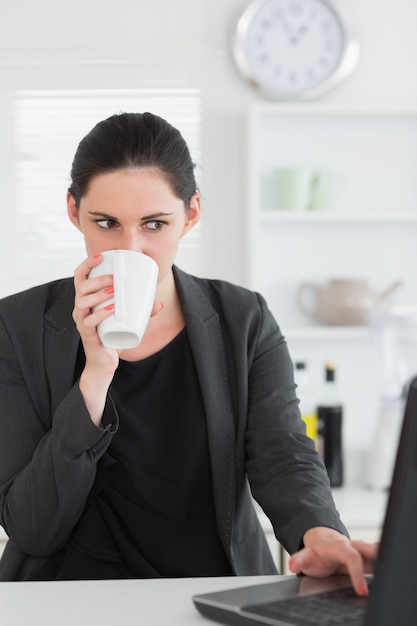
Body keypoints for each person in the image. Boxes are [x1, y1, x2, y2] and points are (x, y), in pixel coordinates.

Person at [0, 112, 377, 589]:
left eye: (155, 224)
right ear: (74, 211)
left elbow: (281, 452)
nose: (132, 248)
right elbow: (32, 526)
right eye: (106, 223)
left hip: (213, 589)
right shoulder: (15, 327)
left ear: (191, 214)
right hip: (70, 596)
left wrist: (320, 533)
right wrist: (95, 374)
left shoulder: (244, 319)